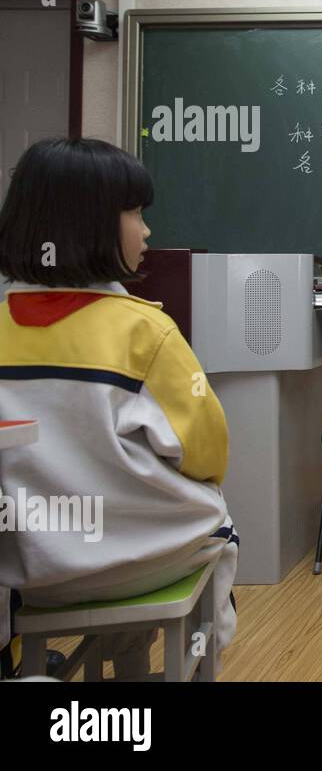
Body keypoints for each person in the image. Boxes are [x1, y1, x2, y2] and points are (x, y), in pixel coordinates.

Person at [0, 138, 239, 679]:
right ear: (90, 224)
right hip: (151, 557)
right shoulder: (144, 330)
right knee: (215, 519)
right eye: (134, 212)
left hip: (35, 567)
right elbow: (208, 454)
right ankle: (168, 663)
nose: (147, 230)